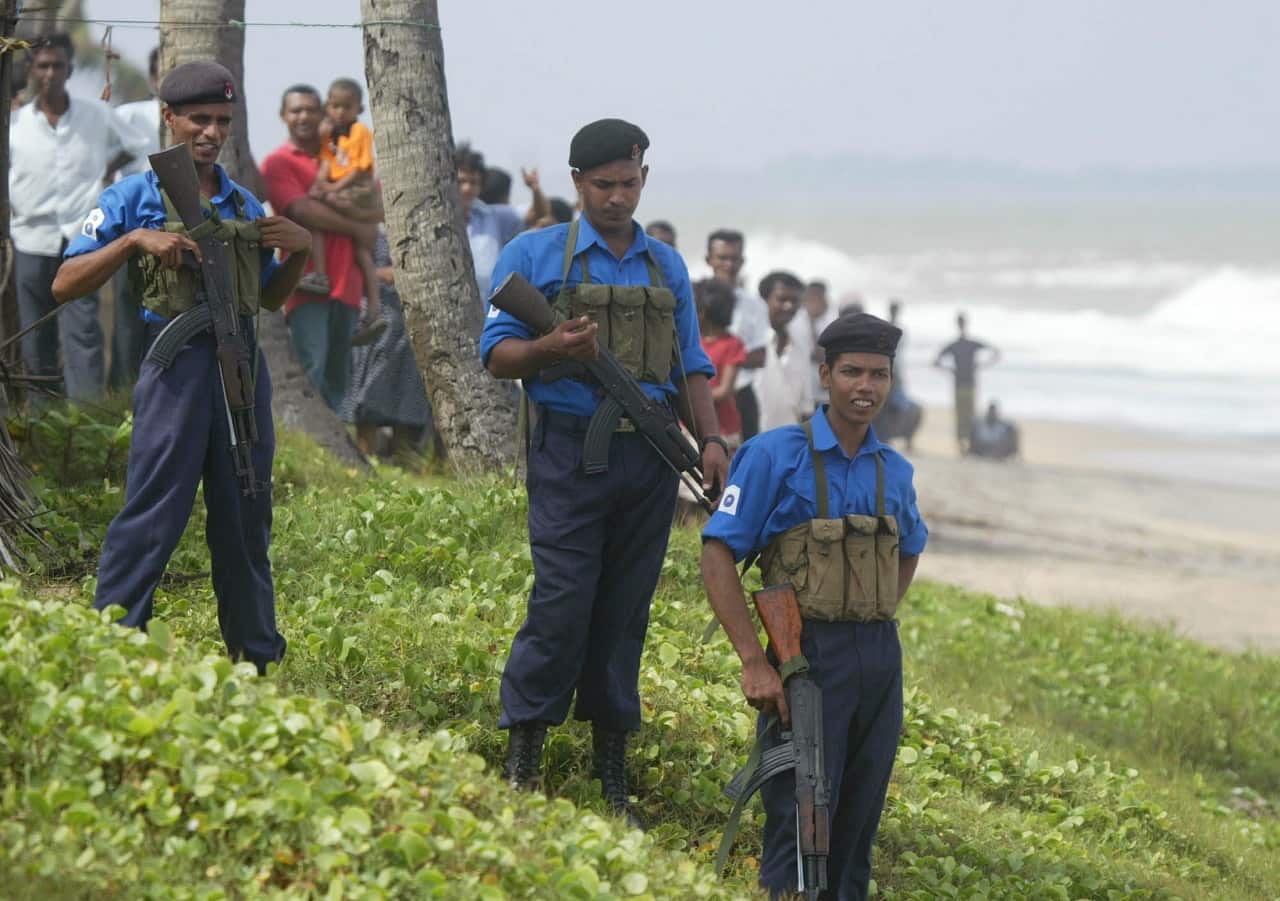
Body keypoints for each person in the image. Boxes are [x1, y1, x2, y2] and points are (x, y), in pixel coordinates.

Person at [480, 118, 728, 827]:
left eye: (629, 183)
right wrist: (551, 347)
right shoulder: (533, 253)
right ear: (576, 183)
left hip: (647, 458)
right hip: (568, 453)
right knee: (562, 601)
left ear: (644, 179)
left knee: (625, 610)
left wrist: (711, 439)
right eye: (602, 185)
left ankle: (610, 766)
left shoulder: (665, 266)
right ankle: (524, 754)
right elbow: (495, 354)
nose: (617, 198)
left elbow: (690, 363)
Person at [51, 61, 313, 674]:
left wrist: (299, 253)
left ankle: (256, 658)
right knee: (155, 510)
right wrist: (132, 241)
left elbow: (267, 299)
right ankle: (113, 644)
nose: (211, 132)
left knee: (246, 514)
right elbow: (65, 282)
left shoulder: (244, 202)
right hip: (177, 369)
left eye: (222, 121)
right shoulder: (133, 196)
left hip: (241, 371)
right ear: (168, 118)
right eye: (199, 119)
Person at [701, 312, 928, 900]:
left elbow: (909, 551)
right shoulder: (774, 454)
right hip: (806, 658)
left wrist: (871, 610)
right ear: (825, 374)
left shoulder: (895, 471)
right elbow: (718, 554)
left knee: (857, 822)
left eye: (879, 374)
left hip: (878, 658)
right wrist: (755, 661)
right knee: (803, 820)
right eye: (852, 372)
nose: (865, 387)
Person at [9, 32, 148, 401]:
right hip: (30, 236)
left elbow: (136, 145)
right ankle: (42, 419)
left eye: (58, 65)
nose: (50, 73)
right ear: (31, 70)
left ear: (69, 69)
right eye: (43, 66)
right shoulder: (15, 125)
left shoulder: (96, 115)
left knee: (83, 330)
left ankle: (85, 417)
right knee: (35, 332)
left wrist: (107, 171)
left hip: (81, 237)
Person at [261, 84, 371, 411]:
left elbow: (372, 200)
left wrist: (362, 220)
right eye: (296, 110)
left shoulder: (340, 156)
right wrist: (357, 227)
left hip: (348, 284)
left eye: (311, 109)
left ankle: (334, 442)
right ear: (283, 116)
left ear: (323, 113)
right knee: (311, 368)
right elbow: (302, 211)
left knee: (338, 379)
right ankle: (306, 438)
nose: (304, 116)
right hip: (306, 282)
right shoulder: (278, 162)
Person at [295, 78, 386, 346]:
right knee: (348, 243)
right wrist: (321, 184)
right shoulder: (330, 135)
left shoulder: (360, 132)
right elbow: (326, 163)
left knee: (316, 212)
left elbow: (359, 169)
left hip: (358, 188)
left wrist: (332, 189)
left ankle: (374, 306)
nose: (339, 112)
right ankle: (322, 275)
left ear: (359, 109)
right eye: (334, 106)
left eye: (346, 107)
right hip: (338, 189)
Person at [340, 228, 434, 459]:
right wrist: (384, 274)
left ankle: (404, 462)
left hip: (410, 327)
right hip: (376, 322)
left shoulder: (422, 234)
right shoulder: (370, 230)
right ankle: (366, 458)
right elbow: (350, 268)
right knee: (367, 400)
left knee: (407, 404)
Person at [107, 46, 163, 391]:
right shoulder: (129, 115)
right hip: (132, 231)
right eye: (163, 72)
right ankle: (122, 397)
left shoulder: (199, 122)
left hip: (179, 233)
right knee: (127, 322)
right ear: (153, 78)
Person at [456, 143, 549, 300]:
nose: (467, 188)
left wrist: (535, 190)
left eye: (473, 182)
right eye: (461, 181)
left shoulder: (492, 216)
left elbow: (538, 214)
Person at [707, 229, 769, 439]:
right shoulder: (693, 298)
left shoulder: (755, 304)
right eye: (722, 258)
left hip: (741, 395)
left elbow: (760, 356)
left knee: (746, 455)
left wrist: (723, 358)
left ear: (742, 261)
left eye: (734, 259)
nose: (729, 264)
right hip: (700, 393)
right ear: (709, 259)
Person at [934, 312, 1000, 454]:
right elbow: (936, 361)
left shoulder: (962, 344)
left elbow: (996, 352)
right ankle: (963, 445)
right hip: (963, 384)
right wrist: (951, 370)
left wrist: (981, 365)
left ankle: (968, 444)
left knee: (967, 415)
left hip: (967, 384)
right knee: (963, 415)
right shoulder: (963, 344)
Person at [755, 270, 813, 431]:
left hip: (787, 439)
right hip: (749, 438)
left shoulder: (801, 345)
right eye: (782, 299)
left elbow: (806, 405)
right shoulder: (750, 344)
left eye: (795, 301)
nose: (789, 306)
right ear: (764, 301)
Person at [695, 278, 746, 448]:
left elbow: (725, 390)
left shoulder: (732, 344)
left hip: (723, 429)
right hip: (690, 427)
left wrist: (690, 397)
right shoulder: (692, 342)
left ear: (703, 312)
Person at [804, 279, 837, 408]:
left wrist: (811, 322)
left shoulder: (832, 321)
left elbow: (822, 356)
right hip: (801, 393)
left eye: (817, 297)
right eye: (810, 298)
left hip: (823, 394)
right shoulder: (796, 320)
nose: (814, 302)